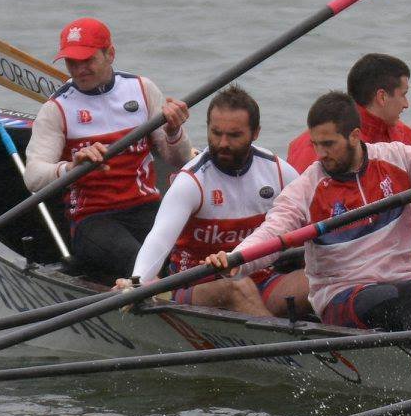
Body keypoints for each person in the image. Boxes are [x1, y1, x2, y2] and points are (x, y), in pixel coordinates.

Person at [208, 92, 411, 330]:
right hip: (342, 297)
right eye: (316, 144)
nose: (321, 154)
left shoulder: (395, 158)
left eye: (329, 144)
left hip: (407, 284)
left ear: (355, 135)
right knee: (407, 297)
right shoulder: (306, 189)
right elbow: (272, 232)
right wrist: (237, 260)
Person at [23, 17, 193, 281]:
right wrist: (71, 167)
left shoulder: (142, 89)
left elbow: (179, 159)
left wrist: (174, 132)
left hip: (146, 206)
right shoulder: (56, 109)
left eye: (87, 60)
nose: (79, 70)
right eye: (71, 62)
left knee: (189, 255)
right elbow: (33, 177)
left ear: (110, 54)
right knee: (141, 266)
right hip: (93, 219)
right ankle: (155, 295)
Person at [117, 87, 307, 317]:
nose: (222, 143)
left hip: (263, 280)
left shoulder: (278, 171)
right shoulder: (192, 181)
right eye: (216, 133)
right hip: (195, 286)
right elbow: (159, 241)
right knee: (236, 286)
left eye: (234, 135)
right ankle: (277, 339)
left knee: (318, 280)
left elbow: (312, 220)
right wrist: (136, 283)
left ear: (255, 133)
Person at [284, 52, 411, 273]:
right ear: (382, 97)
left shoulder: (404, 136)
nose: (406, 104)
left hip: (390, 245)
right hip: (335, 256)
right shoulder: (312, 147)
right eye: (404, 95)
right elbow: (299, 223)